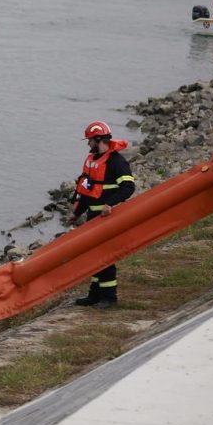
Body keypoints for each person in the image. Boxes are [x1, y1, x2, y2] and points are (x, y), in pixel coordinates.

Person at [69, 121, 137, 307]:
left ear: (99, 139)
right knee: (95, 257)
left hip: (108, 218)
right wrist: (77, 212)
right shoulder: (93, 162)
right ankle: (95, 295)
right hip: (93, 217)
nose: (88, 144)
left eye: (90, 140)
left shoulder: (116, 162)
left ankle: (109, 298)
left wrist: (110, 203)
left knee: (105, 256)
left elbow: (128, 187)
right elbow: (87, 190)